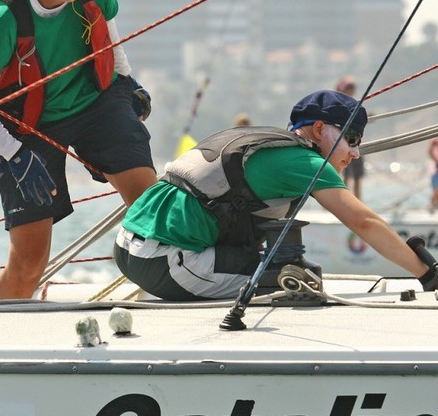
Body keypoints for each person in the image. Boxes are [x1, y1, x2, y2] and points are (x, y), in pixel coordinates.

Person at [0, 0, 157, 299]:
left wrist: (129, 86)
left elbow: (111, 44)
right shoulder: (5, 20)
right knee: (29, 262)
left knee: (153, 211)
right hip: (27, 127)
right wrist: (13, 154)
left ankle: (165, 298)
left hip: (95, 104)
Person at [114, 90, 437, 300]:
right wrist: (427, 272)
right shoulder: (307, 162)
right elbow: (363, 221)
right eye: (351, 138)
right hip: (167, 262)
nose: (355, 152)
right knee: (299, 282)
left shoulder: (256, 143)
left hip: (129, 250)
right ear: (320, 129)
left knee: (286, 272)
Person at [335, 76, 365, 198]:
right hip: (343, 143)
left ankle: (358, 201)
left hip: (356, 142)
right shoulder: (337, 104)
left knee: (357, 176)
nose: (351, 91)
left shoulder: (354, 104)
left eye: (352, 88)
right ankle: (342, 200)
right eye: (348, 88)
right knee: (345, 174)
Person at [429, 138, 438, 213]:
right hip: (435, 171)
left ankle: (433, 206)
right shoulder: (435, 141)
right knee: (436, 191)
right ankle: (432, 206)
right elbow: (430, 152)